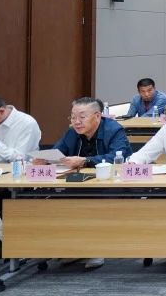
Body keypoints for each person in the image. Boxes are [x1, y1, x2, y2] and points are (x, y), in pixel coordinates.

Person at [46, 97, 129, 271]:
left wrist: (85, 161)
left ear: (97, 116)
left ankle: (95, 248)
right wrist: (44, 159)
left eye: (82, 117)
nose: (76, 122)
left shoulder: (114, 130)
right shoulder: (72, 132)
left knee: (94, 201)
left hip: (110, 184)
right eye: (72, 117)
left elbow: (119, 157)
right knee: (55, 199)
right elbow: (57, 152)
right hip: (78, 182)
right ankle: (75, 248)